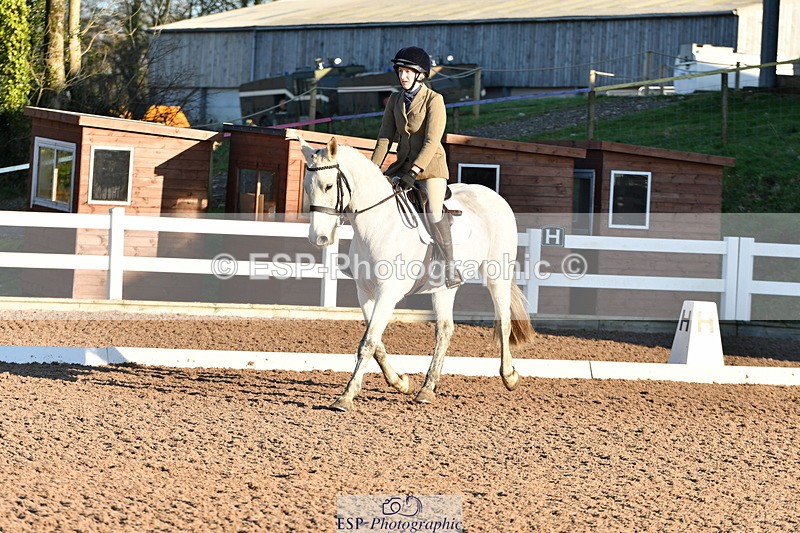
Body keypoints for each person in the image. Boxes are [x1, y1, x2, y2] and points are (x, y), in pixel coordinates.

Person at [371, 46, 463, 288]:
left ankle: (450, 267)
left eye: (408, 72)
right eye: (400, 71)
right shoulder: (395, 100)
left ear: (420, 74)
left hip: (430, 168)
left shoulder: (435, 100)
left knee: (433, 210)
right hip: (401, 166)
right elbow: (384, 138)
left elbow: (432, 141)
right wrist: (372, 170)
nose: (403, 76)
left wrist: (414, 172)